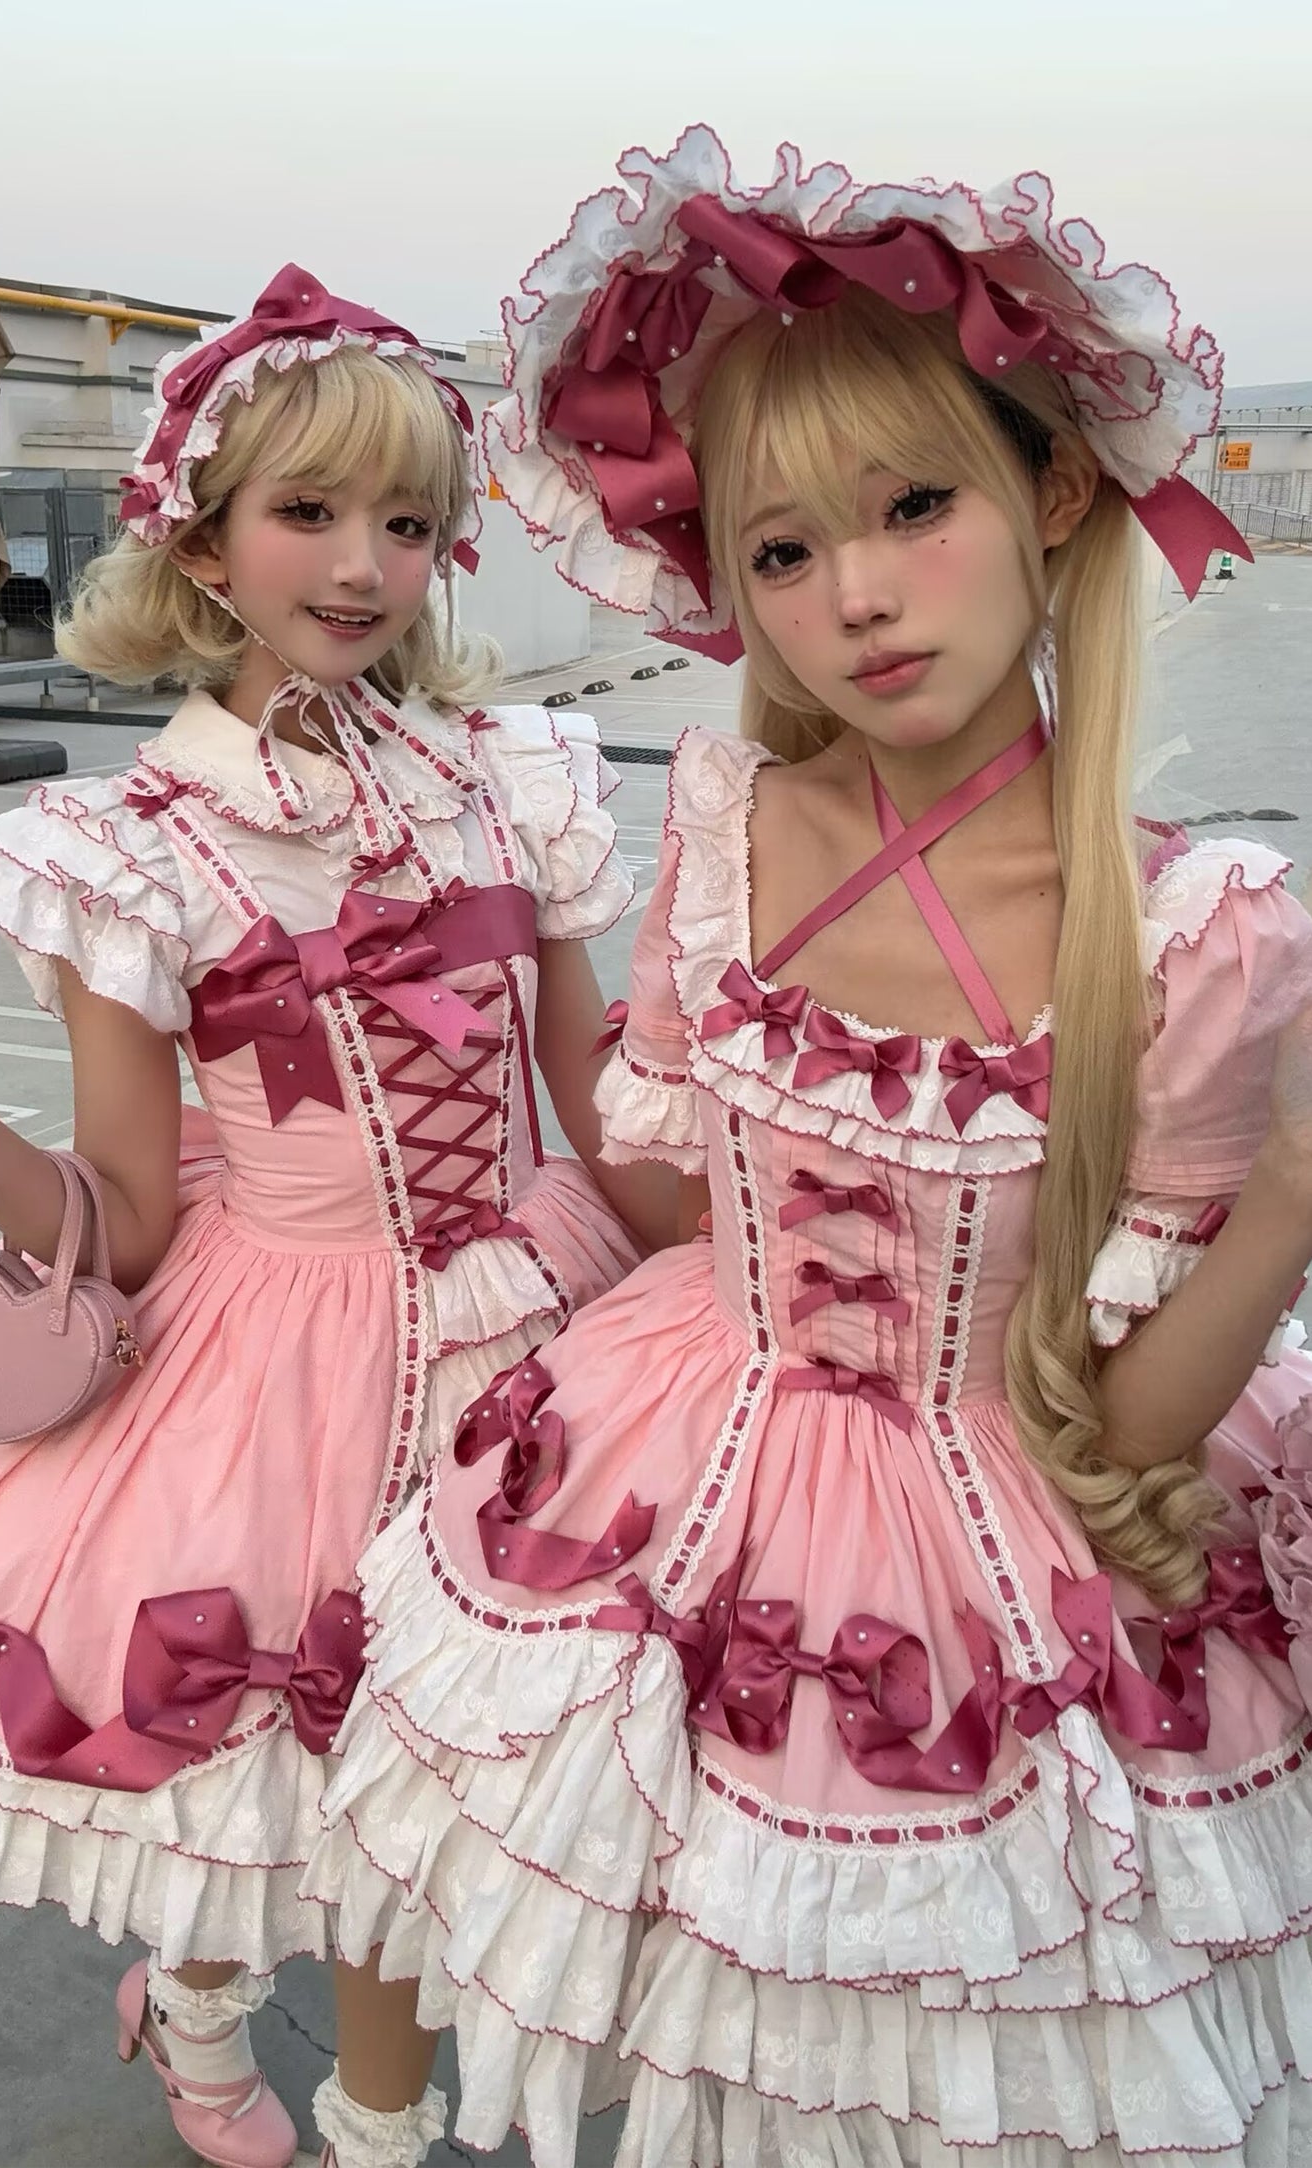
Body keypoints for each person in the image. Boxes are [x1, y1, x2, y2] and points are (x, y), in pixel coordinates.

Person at [303, 133, 1312, 2166]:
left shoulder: (1192, 930)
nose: (852, 597)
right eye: (780, 551)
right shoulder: (724, 823)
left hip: (1007, 1548)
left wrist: (1290, 1186)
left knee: (920, 2057)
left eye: (915, 505)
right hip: (679, 1462)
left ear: (1051, 491)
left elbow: (1126, 1426)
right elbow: (672, 1175)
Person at [0, 265, 651, 2168]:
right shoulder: (133, 851)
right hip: (284, 1364)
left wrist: (754, 1234)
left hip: (535, 1329)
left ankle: (300, 2070)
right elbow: (130, 1222)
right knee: (306, 1782)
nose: (365, 565)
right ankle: (216, 2029)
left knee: (447, 1792)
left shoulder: (511, 784)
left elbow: (605, 1108)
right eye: (308, 510)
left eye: (408, 521)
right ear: (201, 539)